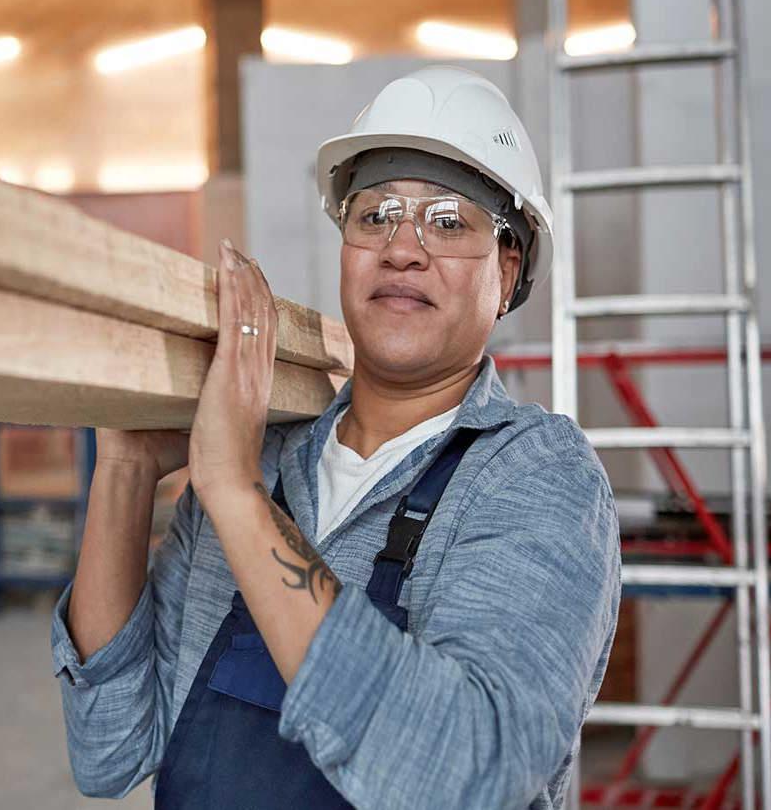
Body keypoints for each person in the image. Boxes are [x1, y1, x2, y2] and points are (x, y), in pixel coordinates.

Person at [49, 65, 621, 809]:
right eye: (374, 214)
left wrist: (234, 493)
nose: (402, 248)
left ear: (508, 269)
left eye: (448, 221)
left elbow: (464, 775)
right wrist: (124, 469)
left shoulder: (537, 478)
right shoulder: (269, 455)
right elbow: (110, 748)